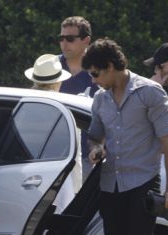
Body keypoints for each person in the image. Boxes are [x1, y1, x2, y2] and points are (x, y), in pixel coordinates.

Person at [83, 38, 168, 235]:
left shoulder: (150, 92)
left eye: (95, 74)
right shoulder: (100, 98)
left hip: (142, 182)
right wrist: (96, 148)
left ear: (111, 66)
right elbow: (94, 135)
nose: (93, 80)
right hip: (110, 184)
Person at [10, 54, 73, 235]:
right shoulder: (64, 107)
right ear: (58, 82)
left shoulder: (23, 106)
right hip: (58, 182)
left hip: (25, 182)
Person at [58, 16, 98, 182]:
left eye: (70, 39)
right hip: (54, 156)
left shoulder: (100, 71)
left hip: (90, 157)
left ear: (86, 40)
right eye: (61, 38)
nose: (64, 43)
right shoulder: (51, 67)